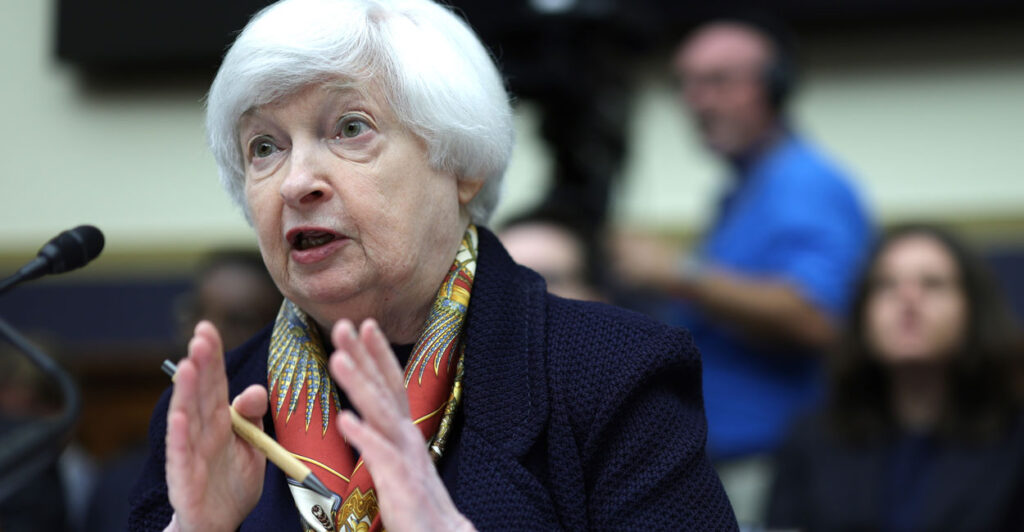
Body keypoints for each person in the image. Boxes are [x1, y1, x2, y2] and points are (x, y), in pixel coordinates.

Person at [127, 1, 736, 530]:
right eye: (265, 148)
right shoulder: (214, 406)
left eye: (349, 129)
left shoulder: (611, 375)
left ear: (462, 166)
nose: (296, 182)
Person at [612, 15, 873, 523]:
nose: (696, 101)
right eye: (684, 83)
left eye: (718, 81)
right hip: (730, 461)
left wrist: (679, 272)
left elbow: (816, 315)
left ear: (776, 88)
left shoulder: (804, 182)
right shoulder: (745, 187)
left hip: (770, 464)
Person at [767, 224, 1024, 531]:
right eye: (885, 285)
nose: (907, 299)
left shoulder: (1015, 439)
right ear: (863, 312)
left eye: (932, 284)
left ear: (974, 309)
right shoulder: (812, 437)